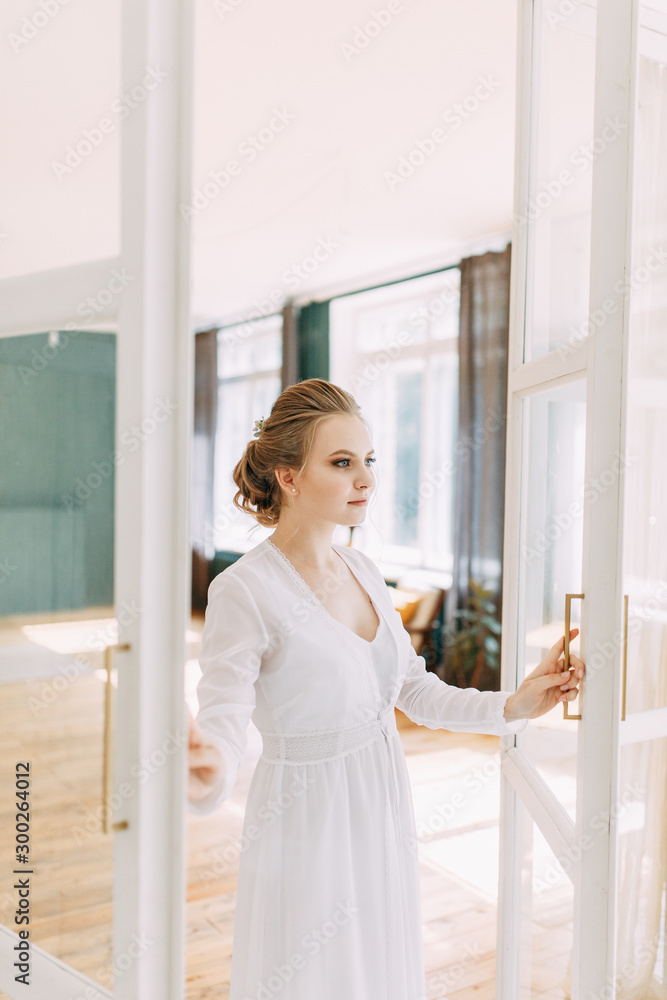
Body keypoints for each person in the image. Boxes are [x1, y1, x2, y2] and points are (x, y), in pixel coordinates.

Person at [187, 377, 584, 1000]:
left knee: (377, 968)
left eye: (368, 461)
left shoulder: (364, 570)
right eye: (342, 463)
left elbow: (412, 690)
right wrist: (208, 766)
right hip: (306, 818)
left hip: (379, 798)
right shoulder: (245, 589)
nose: (365, 479)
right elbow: (223, 713)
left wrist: (515, 704)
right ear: (289, 477)